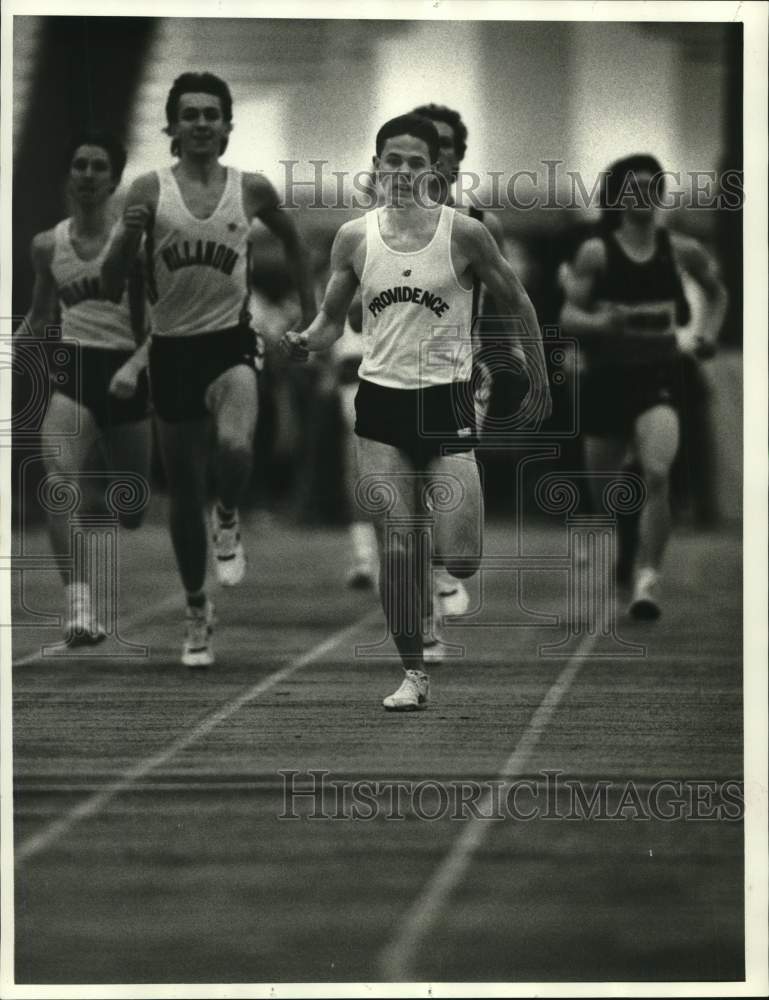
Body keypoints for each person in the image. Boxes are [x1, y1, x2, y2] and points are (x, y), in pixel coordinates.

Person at [283, 114, 550, 711]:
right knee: (397, 544)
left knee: (461, 556)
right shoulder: (354, 237)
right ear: (375, 165)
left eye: (414, 161)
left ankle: (437, 549)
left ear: (435, 169)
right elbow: (332, 320)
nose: (401, 172)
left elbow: (519, 302)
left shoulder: (466, 235)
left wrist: (536, 373)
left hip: (447, 402)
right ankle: (412, 672)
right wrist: (305, 340)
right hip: (380, 403)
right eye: (391, 160)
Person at [102, 72, 316, 667]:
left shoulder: (251, 189)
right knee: (184, 490)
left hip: (231, 342)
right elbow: (116, 275)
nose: (200, 123)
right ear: (172, 127)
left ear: (226, 126)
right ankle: (197, 609)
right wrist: (129, 237)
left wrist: (312, 312)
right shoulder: (147, 190)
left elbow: (296, 245)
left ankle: (230, 516)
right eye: (189, 114)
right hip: (172, 350)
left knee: (237, 450)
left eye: (211, 114)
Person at [559, 153, 727, 619]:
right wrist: (600, 321)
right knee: (606, 492)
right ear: (617, 196)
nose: (644, 197)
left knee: (656, 473)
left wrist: (708, 336)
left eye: (653, 187)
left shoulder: (681, 249)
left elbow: (717, 293)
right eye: (634, 188)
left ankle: (647, 578)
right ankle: (625, 540)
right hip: (608, 379)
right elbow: (567, 316)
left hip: (660, 376)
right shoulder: (597, 251)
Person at [21, 130, 151, 644]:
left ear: (115, 179)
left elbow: (164, 322)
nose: (89, 175)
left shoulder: (135, 243)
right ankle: (79, 608)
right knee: (57, 484)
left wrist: (136, 367)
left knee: (133, 509)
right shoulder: (47, 245)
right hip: (73, 372)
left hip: (126, 371)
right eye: (81, 166)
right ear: (69, 176)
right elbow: (38, 315)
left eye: (99, 167)